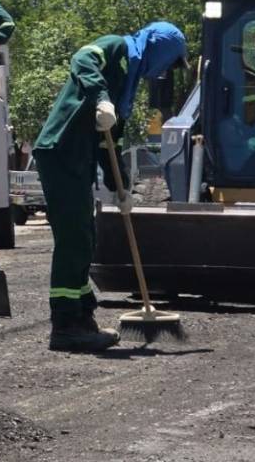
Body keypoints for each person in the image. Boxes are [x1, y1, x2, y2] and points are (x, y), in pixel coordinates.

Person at [33, 21, 187, 352]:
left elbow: (109, 144)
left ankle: (81, 316)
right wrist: (101, 99)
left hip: (78, 157)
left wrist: (122, 188)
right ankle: (66, 327)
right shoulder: (117, 47)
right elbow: (82, 59)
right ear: (160, 49)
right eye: (171, 61)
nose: (166, 70)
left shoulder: (126, 85)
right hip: (61, 149)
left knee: (84, 237)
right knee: (74, 238)